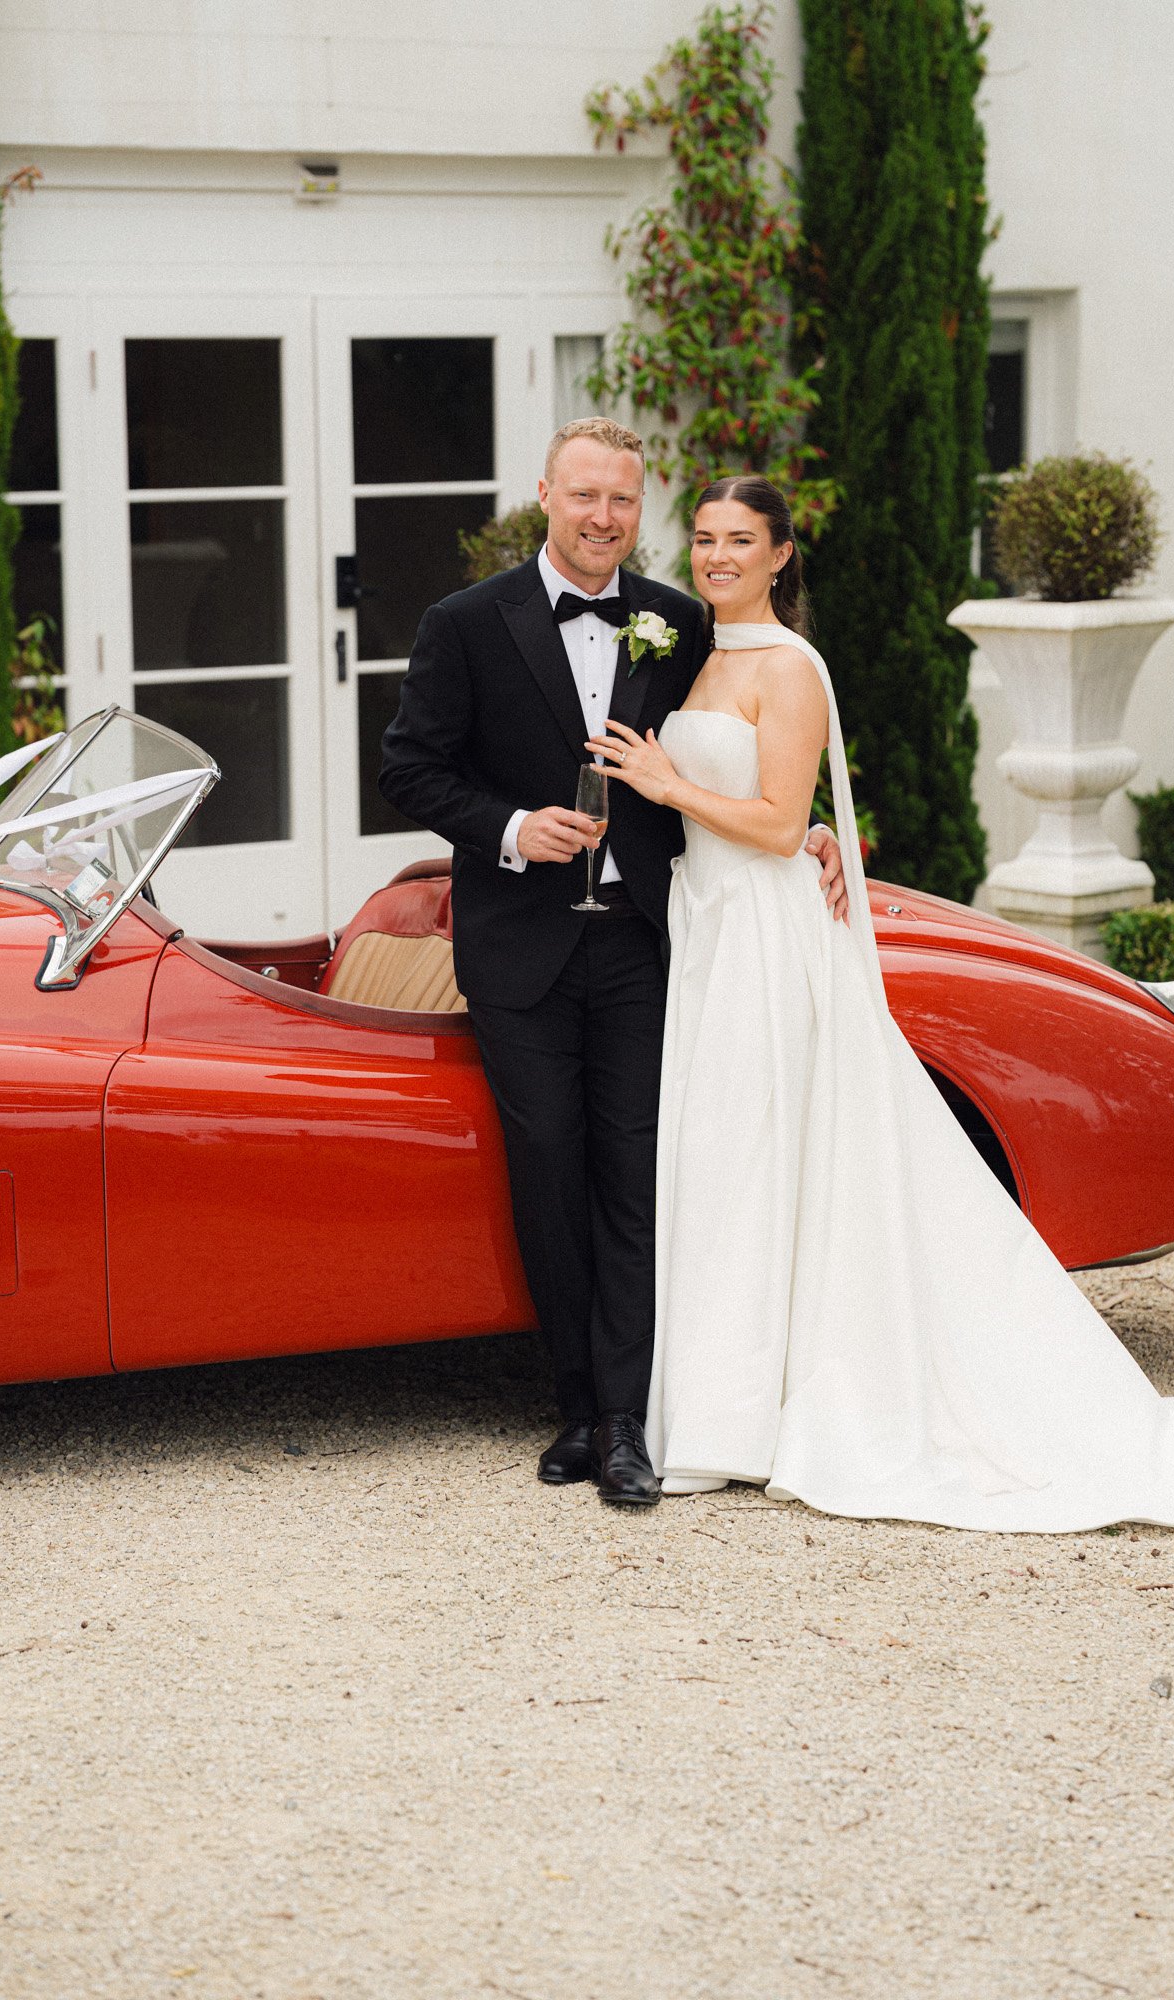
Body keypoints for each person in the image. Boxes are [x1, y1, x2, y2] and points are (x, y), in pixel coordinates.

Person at [587, 474, 1174, 1529]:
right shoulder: (702, 650)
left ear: (781, 554)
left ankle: (754, 1417)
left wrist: (672, 788)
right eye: (704, 538)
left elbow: (770, 817)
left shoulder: (792, 665)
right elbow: (779, 820)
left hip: (763, 936)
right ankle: (719, 1409)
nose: (716, 556)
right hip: (709, 930)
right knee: (726, 1158)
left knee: (763, 1150)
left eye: (739, 540)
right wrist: (768, 827)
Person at [379, 422, 846, 1509]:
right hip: (518, 945)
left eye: (623, 502)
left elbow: (742, 746)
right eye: (584, 495)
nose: (603, 517)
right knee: (548, 1169)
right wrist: (505, 825)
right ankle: (577, 1402)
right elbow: (409, 767)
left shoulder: (680, 621)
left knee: (639, 1170)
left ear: (640, 509)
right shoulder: (464, 623)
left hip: (647, 935)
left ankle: (630, 1421)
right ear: (546, 494)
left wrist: (807, 829)